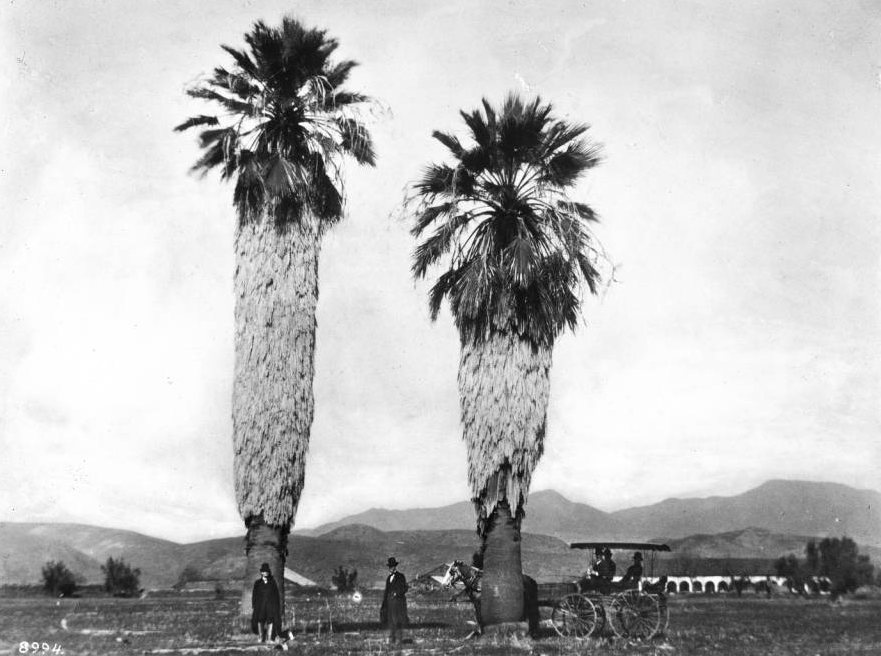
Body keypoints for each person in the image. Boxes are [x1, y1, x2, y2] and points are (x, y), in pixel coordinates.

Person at [380, 556, 409, 644]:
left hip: (398, 602)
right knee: (391, 621)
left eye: (392, 566)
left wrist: (397, 593)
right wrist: (384, 604)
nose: (391, 568)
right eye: (389, 567)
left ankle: (399, 639)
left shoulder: (401, 576)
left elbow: (405, 588)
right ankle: (392, 639)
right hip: (390, 603)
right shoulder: (388, 578)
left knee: (398, 621)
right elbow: (386, 591)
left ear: (395, 567)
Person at [251, 562, 281, 643]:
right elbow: (254, 594)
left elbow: (276, 594)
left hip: (270, 605)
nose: (265, 573)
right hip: (260, 605)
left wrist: (276, 605)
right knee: (260, 620)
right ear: (261, 573)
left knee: (270, 620)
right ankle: (261, 637)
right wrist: (254, 605)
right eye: (264, 571)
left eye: (267, 571)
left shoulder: (272, 582)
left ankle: (269, 638)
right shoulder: (257, 583)